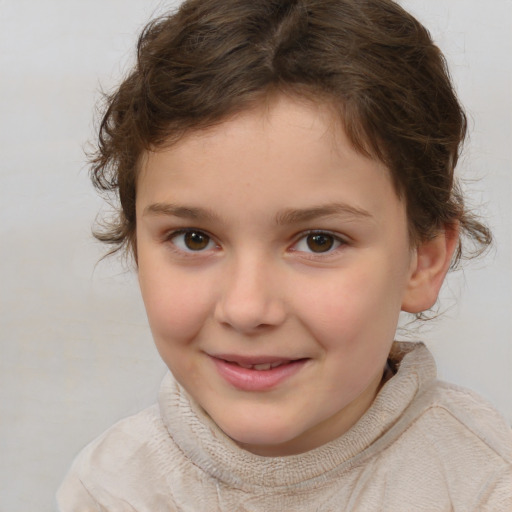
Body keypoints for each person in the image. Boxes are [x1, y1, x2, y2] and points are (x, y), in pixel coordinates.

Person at [57, 0, 512, 509]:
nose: (248, 308)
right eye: (195, 239)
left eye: (319, 241)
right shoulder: (112, 490)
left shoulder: (484, 484)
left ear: (422, 260)